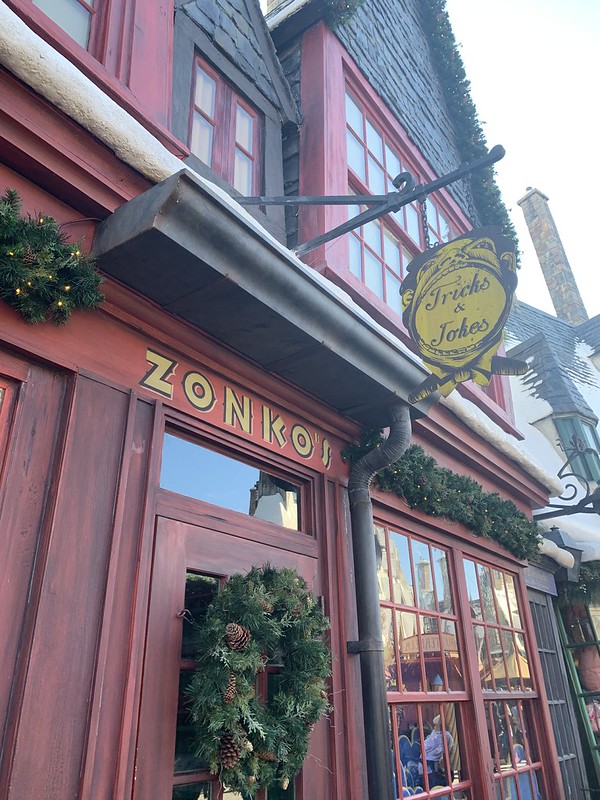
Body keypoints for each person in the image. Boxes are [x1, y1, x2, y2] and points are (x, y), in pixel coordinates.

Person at [424, 715, 453, 785]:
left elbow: (450, 747)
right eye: (434, 725)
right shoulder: (434, 733)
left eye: (436, 725)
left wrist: (444, 756)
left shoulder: (446, 735)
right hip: (428, 758)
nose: (435, 727)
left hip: (435, 759)